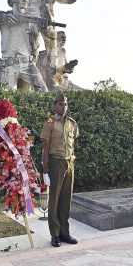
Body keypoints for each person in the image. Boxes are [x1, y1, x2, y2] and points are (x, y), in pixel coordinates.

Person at [41, 93, 79, 247]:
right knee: (54, 200)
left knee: (65, 200)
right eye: (61, 104)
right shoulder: (50, 123)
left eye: (65, 104)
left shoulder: (72, 123)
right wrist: (44, 171)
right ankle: (55, 234)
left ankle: (65, 233)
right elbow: (45, 149)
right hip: (56, 163)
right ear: (55, 105)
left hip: (70, 163)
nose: (64, 106)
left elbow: (72, 144)